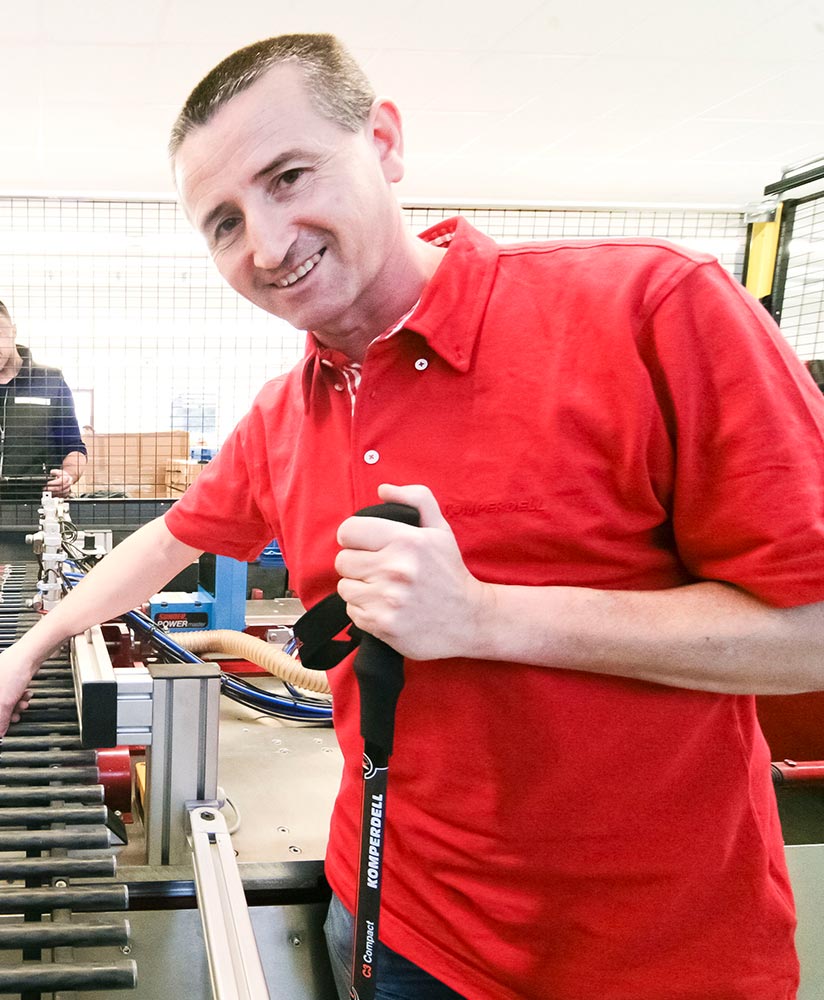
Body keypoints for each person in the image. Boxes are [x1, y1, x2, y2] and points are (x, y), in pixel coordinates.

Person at [2, 33, 824, 1000]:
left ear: (385, 142)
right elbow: (166, 540)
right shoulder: (284, 414)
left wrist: (484, 616)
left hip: (653, 958)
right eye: (224, 222)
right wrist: (31, 646)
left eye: (289, 176)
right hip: (391, 926)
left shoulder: (648, 307)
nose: (266, 245)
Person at [0, 300, 87, 498]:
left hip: (40, 503)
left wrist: (68, 475)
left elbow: (74, 447)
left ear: (13, 331)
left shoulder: (50, 380)